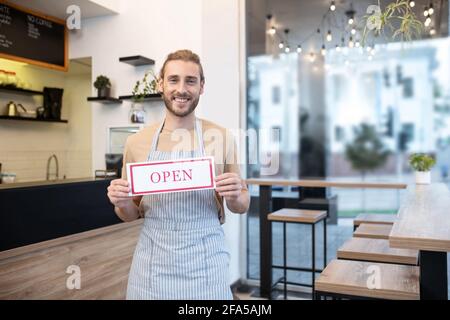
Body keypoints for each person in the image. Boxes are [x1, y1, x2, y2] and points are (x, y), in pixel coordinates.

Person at [107, 49, 250, 300]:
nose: (181, 89)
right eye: (173, 80)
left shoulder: (221, 137)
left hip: (206, 267)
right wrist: (121, 202)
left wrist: (236, 195)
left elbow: (242, 205)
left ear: (201, 87)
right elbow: (129, 214)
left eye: (190, 81)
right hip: (152, 269)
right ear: (160, 84)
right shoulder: (137, 142)